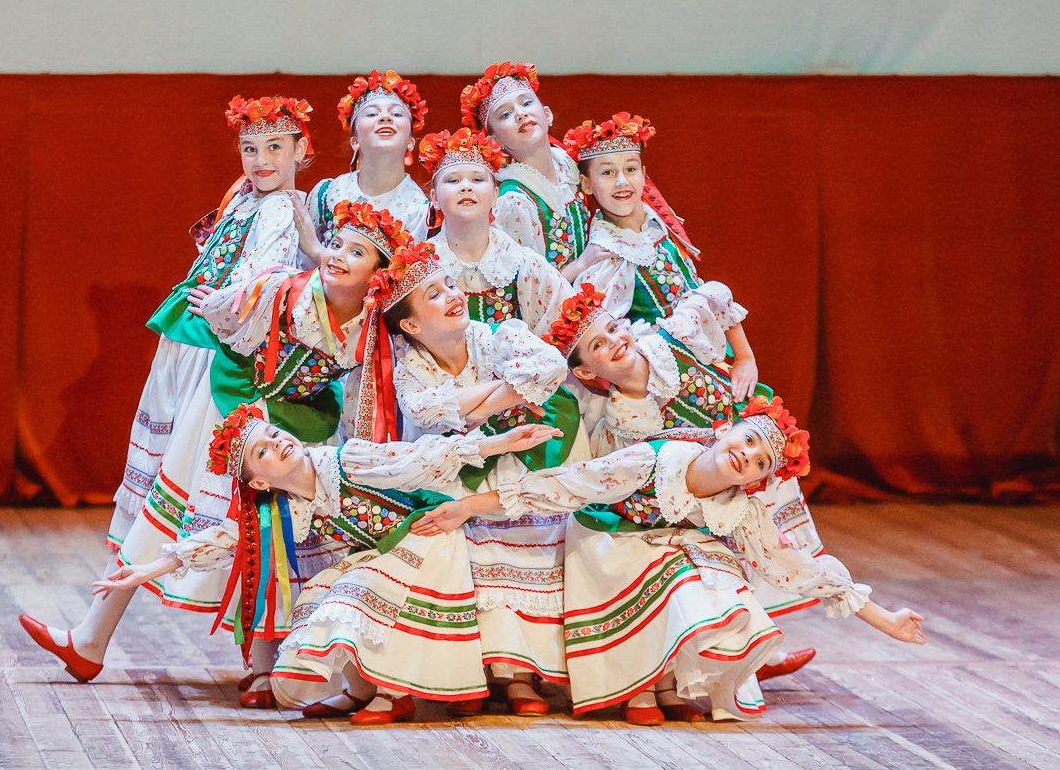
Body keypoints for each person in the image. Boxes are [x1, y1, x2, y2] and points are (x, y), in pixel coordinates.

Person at [18, 94, 314, 683]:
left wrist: (228, 306)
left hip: (228, 364)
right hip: (195, 351)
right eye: (250, 147)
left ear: (302, 150)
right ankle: (258, 663)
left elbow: (267, 282)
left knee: (213, 498)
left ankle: (99, 638)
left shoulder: (286, 209)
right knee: (220, 501)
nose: (261, 160)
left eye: (275, 147)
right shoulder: (244, 196)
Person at [418, 393, 927, 724]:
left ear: (758, 481)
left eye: (759, 462)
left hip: (664, 547)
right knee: (667, 565)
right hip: (609, 540)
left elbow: (795, 568)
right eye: (748, 440)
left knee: (709, 568)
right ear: (727, 429)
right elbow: (568, 486)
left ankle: (667, 683)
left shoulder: (741, 510)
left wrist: (884, 619)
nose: (746, 456)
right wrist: (470, 506)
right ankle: (637, 687)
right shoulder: (653, 460)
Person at [91, 404, 563, 725]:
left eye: (274, 435)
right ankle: (361, 689)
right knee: (321, 597)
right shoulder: (290, 508)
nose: (278, 444)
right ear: (258, 482)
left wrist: (496, 444)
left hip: (428, 535)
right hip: (386, 553)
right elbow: (227, 538)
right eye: (262, 452)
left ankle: (394, 694)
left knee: (363, 588)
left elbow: (414, 457)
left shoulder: (346, 461)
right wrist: (147, 569)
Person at [378, 242, 586, 715]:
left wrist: (472, 408)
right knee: (466, 553)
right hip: (459, 467)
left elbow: (550, 366)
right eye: (434, 294)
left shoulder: (496, 335)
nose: (453, 295)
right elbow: (425, 411)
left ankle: (520, 674)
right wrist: (508, 394)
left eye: (449, 284)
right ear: (412, 326)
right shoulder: (410, 370)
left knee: (525, 548)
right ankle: (472, 672)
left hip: (524, 455)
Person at [566, 113, 758, 409]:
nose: (622, 181)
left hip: (713, 365)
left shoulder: (658, 224)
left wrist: (744, 357)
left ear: (643, 174)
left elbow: (703, 292)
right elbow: (608, 341)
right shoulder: (606, 254)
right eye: (607, 173)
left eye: (630, 169)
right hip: (668, 387)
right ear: (587, 184)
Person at [419, 127, 574, 334]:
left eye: (477, 179)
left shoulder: (521, 262)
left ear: (495, 196)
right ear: (434, 198)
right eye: (453, 180)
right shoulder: (424, 265)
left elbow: (570, 315)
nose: (466, 187)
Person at [460, 62, 599, 279]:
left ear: (547, 114)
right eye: (505, 114)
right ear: (494, 141)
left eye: (526, 103)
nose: (520, 114)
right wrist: (583, 264)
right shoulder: (514, 200)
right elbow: (531, 287)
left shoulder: (570, 165)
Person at [298, 70, 430, 261]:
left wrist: (318, 252)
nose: (385, 118)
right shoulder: (326, 194)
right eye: (372, 113)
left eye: (396, 113)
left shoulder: (420, 210)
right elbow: (303, 268)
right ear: (355, 141)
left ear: (411, 142)